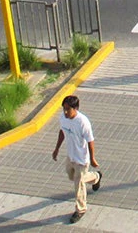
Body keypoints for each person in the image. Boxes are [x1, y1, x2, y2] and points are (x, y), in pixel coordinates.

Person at [51, 95, 102, 225]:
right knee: (72, 177)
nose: (66, 112)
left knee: (78, 185)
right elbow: (62, 132)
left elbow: (90, 141)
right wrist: (56, 149)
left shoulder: (83, 122)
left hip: (81, 159)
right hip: (71, 156)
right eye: (64, 109)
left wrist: (92, 158)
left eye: (68, 109)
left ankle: (80, 209)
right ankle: (96, 177)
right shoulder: (63, 118)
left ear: (76, 108)